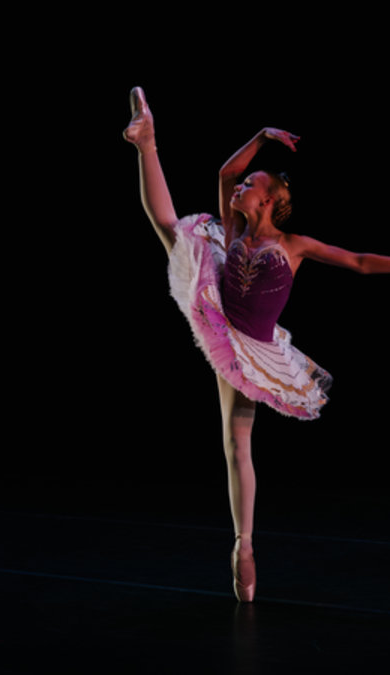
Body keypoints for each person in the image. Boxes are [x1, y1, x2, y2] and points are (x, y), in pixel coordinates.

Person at [123, 87, 390, 602]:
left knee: (237, 443)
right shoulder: (232, 229)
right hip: (222, 321)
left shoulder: (294, 246)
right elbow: (226, 172)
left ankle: (245, 546)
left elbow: (358, 262)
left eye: (251, 185)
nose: (239, 186)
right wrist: (261, 136)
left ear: (268, 201)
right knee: (172, 229)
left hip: (258, 350)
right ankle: (146, 142)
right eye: (243, 184)